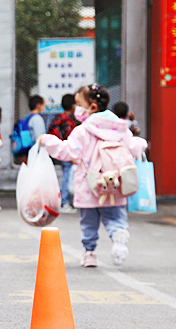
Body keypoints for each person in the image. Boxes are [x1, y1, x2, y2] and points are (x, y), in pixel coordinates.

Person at [39, 84, 147, 268]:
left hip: (89, 184)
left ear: (93, 107)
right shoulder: (120, 128)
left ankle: (89, 253)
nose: (76, 108)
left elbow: (68, 152)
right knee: (115, 218)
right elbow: (134, 147)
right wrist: (141, 143)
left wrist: (48, 140)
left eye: (79, 104)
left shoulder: (83, 130)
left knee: (88, 223)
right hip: (116, 184)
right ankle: (118, 235)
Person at [47, 93, 80, 214]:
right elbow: (71, 139)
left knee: (63, 176)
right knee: (67, 176)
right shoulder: (68, 121)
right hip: (66, 152)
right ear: (73, 106)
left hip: (56, 150)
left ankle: (63, 200)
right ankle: (65, 202)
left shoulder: (57, 118)